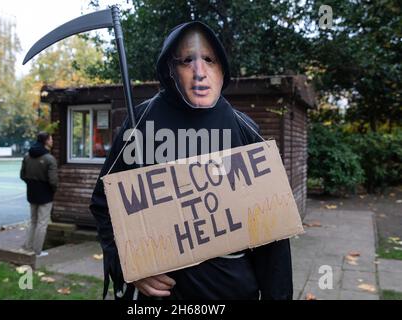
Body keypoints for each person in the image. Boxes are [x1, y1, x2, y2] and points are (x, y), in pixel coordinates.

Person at [90, 21, 292, 300]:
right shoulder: (141, 123)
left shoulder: (244, 130)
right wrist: (129, 263)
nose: (200, 72)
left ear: (222, 68)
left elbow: (273, 235)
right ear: (169, 69)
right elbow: (104, 202)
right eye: (187, 61)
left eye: (209, 59)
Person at [20, 132, 58, 257]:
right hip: (45, 194)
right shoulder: (49, 159)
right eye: (51, 139)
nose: (52, 141)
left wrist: (32, 184)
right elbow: (53, 181)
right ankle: (37, 251)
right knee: (42, 223)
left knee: (33, 221)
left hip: (31, 193)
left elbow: (22, 175)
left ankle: (28, 247)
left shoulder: (27, 156)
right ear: (46, 141)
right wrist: (53, 190)